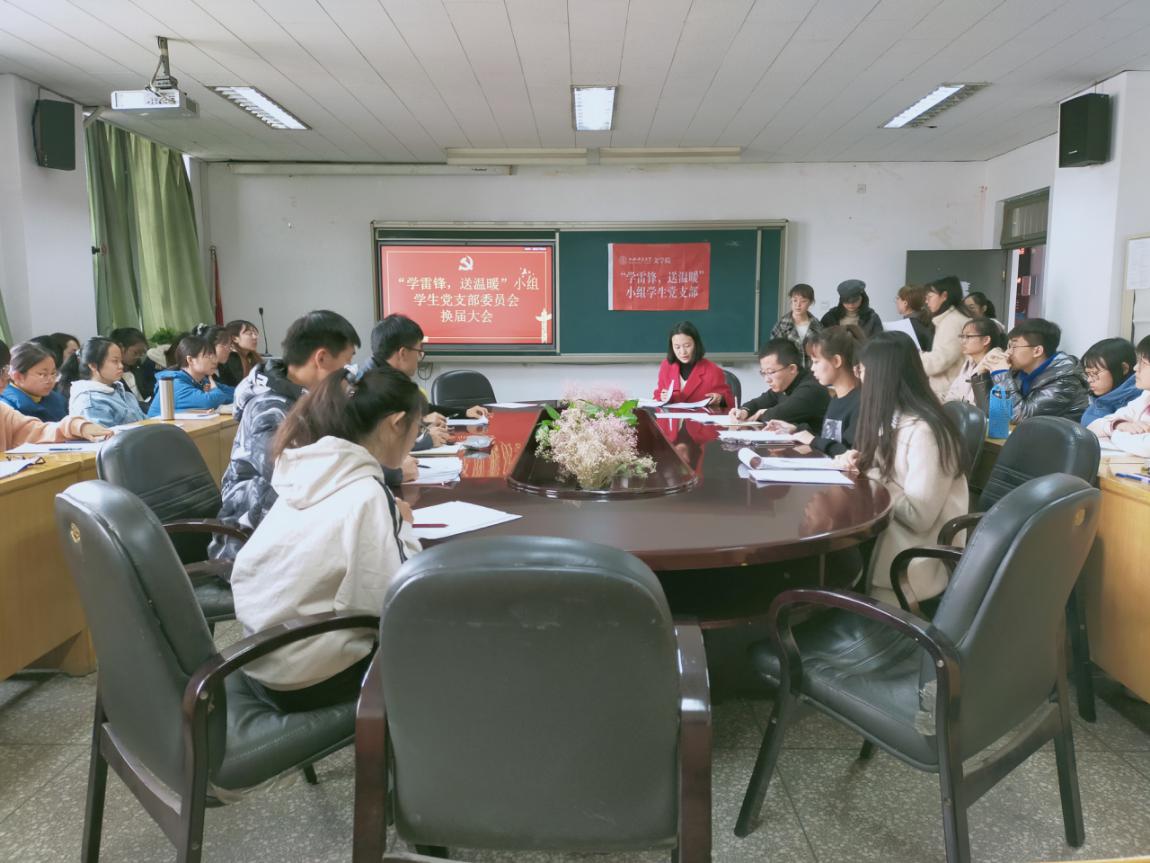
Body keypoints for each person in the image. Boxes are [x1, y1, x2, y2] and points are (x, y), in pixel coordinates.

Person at [230, 365, 423, 711]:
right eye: (416, 428)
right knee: (441, 644)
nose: (415, 438)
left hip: (260, 655)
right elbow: (389, 603)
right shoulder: (366, 492)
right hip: (307, 678)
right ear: (396, 423)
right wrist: (403, 526)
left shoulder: (309, 468)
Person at [209, 310, 364, 561]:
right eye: (346, 363)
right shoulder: (267, 408)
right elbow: (296, 477)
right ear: (322, 358)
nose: (348, 374)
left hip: (295, 531)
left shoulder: (308, 399)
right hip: (250, 545)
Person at [836, 332, 968, 605]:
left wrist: (868, 474)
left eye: (863, 370)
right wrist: (859, 462)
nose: (860, 377)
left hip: (910, 567)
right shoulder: (893, 418)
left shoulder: (925, 432)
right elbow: (884, 473)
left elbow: (918, 516)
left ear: (883, 376)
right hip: (884, 542)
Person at [369, 315, 489, 450]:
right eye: (419, 351)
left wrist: (465, 412)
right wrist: (425, 439)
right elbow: (376, 443)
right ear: (403, 353)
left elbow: (423, 409)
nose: (419, 358)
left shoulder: (387, 377)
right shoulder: (371, 388)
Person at [762, 326, 863, 456]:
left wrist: (813, 440)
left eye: (816, 362)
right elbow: (828, 439)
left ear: (836, 361)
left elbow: (852, 455)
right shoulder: (837, 399)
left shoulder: (861, 403)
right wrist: (796, 429)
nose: (812, 368)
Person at [0, 339, 113, 449]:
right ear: (17, 376)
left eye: (3, 372)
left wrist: (77, 426)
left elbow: (38, 431)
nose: (2, 382)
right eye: (42, 374)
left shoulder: (4, 413)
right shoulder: (8, 402)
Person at [981, 318, 1089, 422]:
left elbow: (1020, 417)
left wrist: (1001, 374)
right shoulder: (1019, 371)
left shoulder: (1066, 381)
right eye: (1009, 346)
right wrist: (982, 376)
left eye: (1014, 346)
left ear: (1037, 351)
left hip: (1057, 435)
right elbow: (990, 413)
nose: (1008, 352)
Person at [730, 337, 830, 428]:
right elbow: (757, 403)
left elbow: (777, 416)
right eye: (763, 373)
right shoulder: (784, 385)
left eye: (771, 372)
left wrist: (762, 413)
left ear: (792, 369)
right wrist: (744, 411)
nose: (767, 379)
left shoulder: (811, 389)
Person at [1086, 335, 1150, 457]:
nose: (1135, 368)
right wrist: (1118, 425)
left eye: (1144, 363)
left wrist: (1115, 433)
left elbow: (1146, 447)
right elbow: (1092, 427)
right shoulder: (1145, 397)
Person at [60, 337, 146, 427]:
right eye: (115, 361)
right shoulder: (91, 402)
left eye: (121, 361)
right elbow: (104, 435)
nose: (121, 366)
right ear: (93, 366)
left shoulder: (124, 394)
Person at [145, 334, 234, 417]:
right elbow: (209, 401)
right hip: (159, 428)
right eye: (207, 356)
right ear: (190, 360)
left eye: (213, 356)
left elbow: (235, 393)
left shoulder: (201, 380)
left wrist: (217, 394)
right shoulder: (174, 383)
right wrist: (215, 390)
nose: (215, 361)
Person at [653, 321, 734, 408]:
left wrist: (720, 399)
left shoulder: (713, 370)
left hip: (700, 416)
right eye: (677, 347)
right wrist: (662, 396)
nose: (682, 352)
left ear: (696, 344)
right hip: (671, 416)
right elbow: (658, 394)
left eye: (687, 346)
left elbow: (730, 402)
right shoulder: (666, 366)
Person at [918, 275, 971, 399]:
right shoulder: (949, 319)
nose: (926, 301)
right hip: (948, 390)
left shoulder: (952, 322)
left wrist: (913, 359)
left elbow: (940, 360)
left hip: (948, 393)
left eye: (930, 297)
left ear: (944, 296)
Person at [943, 317, 1007, 404]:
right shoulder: (969, 363)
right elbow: (952, 395)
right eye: (962, 336)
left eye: (968, 336)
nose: (963, 341)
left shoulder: (997, 365)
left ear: (986, 340)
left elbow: (988, 406)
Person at [1, 341, 69, 421]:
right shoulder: (7, 407)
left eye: (53, 373)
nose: (51, 380)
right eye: (42, 374)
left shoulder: (58, 399)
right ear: (18, 376)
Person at [1080, 337, 1141, 427]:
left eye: (1094, 373)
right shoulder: (1101, 401)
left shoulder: (1139, 403)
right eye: (1088, 374)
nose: (1089, 380)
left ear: (1123, 369)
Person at [770, 284, 822, 367]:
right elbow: (774, 351)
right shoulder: (781, 325)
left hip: (811, 370)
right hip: (789, 370)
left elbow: (821, 352)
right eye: (795, 300)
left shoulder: (817, 325)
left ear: (811, 302)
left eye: (803, 301)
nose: (798, 305)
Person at [108, 327, 158, 405]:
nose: (138, 357)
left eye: (141, 353)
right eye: (136, 353)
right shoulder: (111, 378)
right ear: (120, 348)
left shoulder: (138, 368)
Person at [218, 319, 262, 387]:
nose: (255, 337)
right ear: (235, 338)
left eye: (255, 333)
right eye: (250, 334)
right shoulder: (231, 356)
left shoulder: (250, 356)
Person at [896, 285, 934, 350]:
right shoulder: (926, 320)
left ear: (905, 303)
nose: (896, 301)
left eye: (897, 298)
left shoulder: (907, 325)